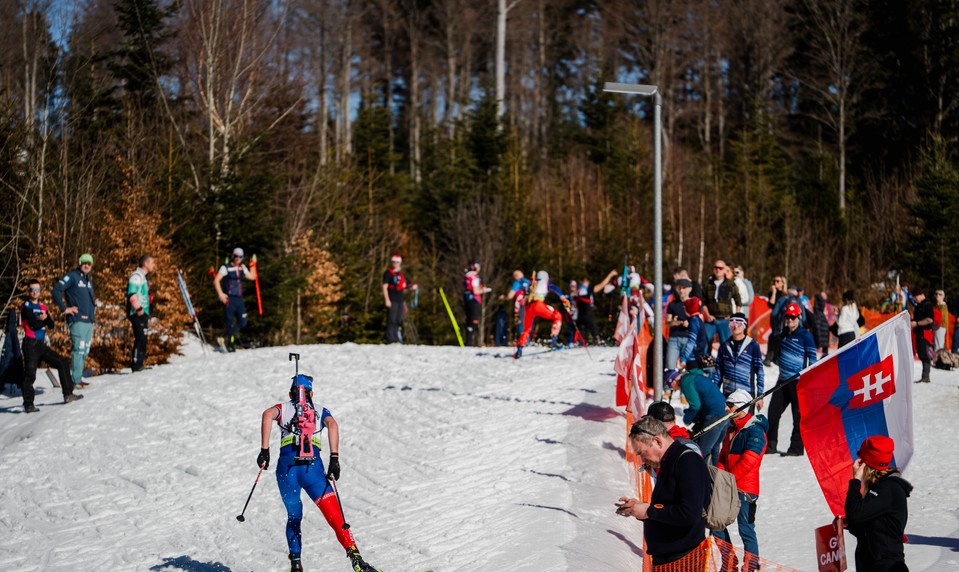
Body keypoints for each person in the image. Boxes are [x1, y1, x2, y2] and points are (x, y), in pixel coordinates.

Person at [258, 374, 379, 572]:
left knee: (294, 517)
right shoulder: (320, 410)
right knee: (335, 516)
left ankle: (296, 564)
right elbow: (333, 424)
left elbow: (266, 415)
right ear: (311, 393)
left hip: (286, 471)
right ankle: (357, 560)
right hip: (312, 469)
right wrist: (334, 458)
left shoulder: (284, 408)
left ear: (291, 393)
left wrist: (264, 450)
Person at [615, 416, 710, 570]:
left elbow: (689, 513)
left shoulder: (687, 462)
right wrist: (639, 508)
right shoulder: (667, 462)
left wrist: (649, 511)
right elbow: (666, 507)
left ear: (658, 441)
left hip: (683, 560)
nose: (642, 460)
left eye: (643, 452)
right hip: (669, 559)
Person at [715, 389, 769, 572]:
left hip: (745, 489)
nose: (726, 408)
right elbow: (723, 456)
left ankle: (751, 566)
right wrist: (721, 479)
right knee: (715, 522)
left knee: (746, 529)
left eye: (730, 405)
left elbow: (749, 461)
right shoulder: (731, 429)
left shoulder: (755, 431)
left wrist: (727, 480)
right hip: (729, 485)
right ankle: (729, 563)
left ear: (741, 406)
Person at [844, 435, 912, 572]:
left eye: (860, 457)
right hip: (875, 564)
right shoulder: (883, 488)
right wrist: (848, 524)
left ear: (865, 463)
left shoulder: (888, 489)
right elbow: (876, 528)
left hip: (886, 567)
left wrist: (855, 481)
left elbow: (855, 513)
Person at [19, 279, 83, 412]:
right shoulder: (25, 306)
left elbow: (52, 325)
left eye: (37, 290)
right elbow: (34, 325)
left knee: (62, 363)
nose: (35, 292)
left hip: (41, 345)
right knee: (30, 375)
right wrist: (44, 320)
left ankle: (68, 394)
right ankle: (28, 404)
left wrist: (46, 319)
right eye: (32, 290)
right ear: (28, 291)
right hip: (30, 344)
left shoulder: (42, 307)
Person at [767, 303, 816, 456]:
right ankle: (770, 445)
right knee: (773, 413)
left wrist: (807, 379)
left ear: (798, 318)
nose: (789, 320)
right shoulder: (782, 335)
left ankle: (796, 448)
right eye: (787, 317)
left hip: (797, 382)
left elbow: (813, 359)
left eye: (792, 317)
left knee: (798, 417)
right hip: (782, 381)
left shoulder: (805, 336)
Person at [670, 357, 727, 466]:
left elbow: (695, 405)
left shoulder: (686, 381)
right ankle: (714, 478)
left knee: (703, 449)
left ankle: (704, 479)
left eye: (670, 386)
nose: (673, 389)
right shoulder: (695, 376)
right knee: (714, 448)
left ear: (672, 381)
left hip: (714, 414)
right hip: (725, 412)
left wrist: (687, 418)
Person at [52, 253, 96, 388]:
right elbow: (56, 290)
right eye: (84, 263)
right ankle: (75, 380)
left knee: (85, 350)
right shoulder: (72, 277)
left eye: (89, 263)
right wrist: (64, 308)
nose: (86, 265)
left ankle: (77, 377)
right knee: (79, 349)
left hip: (88, 321)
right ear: (79, 263)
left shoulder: (88, 280)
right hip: (77, 320)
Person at [710, 313, 764, 405]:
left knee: (746, 420)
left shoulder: (753, 345)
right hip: (728, 394)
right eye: (731, 323)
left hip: (746, 394)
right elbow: (718, 372)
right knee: (727, 419)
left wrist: (760, 395)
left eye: (739, 323)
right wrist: (715, 394)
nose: (735, 326)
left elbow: (759, 371)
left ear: (744, 326)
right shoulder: (724, 346)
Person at [515, 270, 567, 358]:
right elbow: (556, 290)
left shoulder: (530, 284)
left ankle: (520, 348)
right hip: (538, 305)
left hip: (528, 307)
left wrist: (517, 311)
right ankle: (554, 340)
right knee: (558, 316)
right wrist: (564, 299)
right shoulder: (545, 283)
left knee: (527, 329)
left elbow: (521, 296)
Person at [214, 247, 257, 352]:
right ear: (233, 256)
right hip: (229, 299)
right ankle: (229, 345)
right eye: (237, 256)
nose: (238, 258)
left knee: (243, 321)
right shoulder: (226, 268)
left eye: (241, 256)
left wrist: (252, 265)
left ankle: (225, 339)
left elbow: (252, 277)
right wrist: (220, 294)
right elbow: (216, 281)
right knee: (229, 322)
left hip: (239, 299)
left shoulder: (242, 267)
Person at [703, 260, 742, 347]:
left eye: (720, 268)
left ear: (724, 270)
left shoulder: (731, 284)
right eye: (716, 268)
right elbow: (703, 302)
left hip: (725, 319)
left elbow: (738, 301)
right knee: (704, 342)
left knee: (726, 345)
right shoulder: (707, 284)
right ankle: (707, 360)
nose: (718, 270)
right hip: (711, 320)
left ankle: (726, 360)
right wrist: (707, 315)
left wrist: (735, 317)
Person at [127, 255, 155, 372]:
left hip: (143, 312)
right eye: (152, 263)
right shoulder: (136, 276)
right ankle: (136, 364)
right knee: (140, 337)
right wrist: (139, 309)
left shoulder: (143, 277)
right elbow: (131, 294)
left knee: (143, 337)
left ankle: (140, 363)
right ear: (146, 264)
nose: (154, 265)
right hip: (137, 312)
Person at [381, 254, 417, 344]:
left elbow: (402, 286)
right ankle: (390, 338)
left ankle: (396, 338)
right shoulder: (388, 273)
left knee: (398, 320)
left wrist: (411, 287)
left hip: (400, 299)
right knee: (392, 319)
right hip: (392, 299)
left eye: (397, 262)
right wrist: (387, 299)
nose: (395, 264)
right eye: (394, 262)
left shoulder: (400, 274)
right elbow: (384, 287)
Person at [575, 270, 617, 345]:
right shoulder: (588, 288)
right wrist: (610, 275)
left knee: (582, 338)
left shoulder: (578, 290)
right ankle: (598, 341)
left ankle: (580, 344)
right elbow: (601, 285)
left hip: (579, 316)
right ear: (586, 282)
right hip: (588, 314)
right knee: (595, 333)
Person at [462, 262, 491, 347]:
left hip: (467, 298)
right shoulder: (474, 277)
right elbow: (475, 291)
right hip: (474, 299)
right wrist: (485, 290)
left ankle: (468, 340)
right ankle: (470, 342)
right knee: (474, 320)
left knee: (469, 319)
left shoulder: (467, 276)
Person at [666, 279, 692, 370]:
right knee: (670, 366)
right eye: (679, 288)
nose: (681, 290)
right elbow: (667, 323)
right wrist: (674, 322)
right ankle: (669, 384)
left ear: (690, 289)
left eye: (684, 288)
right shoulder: (672, 304)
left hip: (689, 339)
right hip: (674, 339)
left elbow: (699, 323)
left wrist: (689, 324)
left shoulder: (694, 303)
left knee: (689, 367)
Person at [911, 286, 934, 383]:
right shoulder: (918, 306)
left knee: (924, 354)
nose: (915, 299)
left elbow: (929, 319)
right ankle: (924, 376)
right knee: (920, 353)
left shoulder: (928, 305)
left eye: (915, 297)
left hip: (925, 332)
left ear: (920, 295)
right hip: (919, 332)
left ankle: (926, 376)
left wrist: (917, 323)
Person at [503, 270, 531, 342]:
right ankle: (528, 340)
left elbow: (510, 296)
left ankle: (524, 341)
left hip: (520, 304)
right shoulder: (529, 282)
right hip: (530, 304)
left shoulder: (517, 282)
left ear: (516, 276)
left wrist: (504, 297)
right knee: (529, 322)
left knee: (520, 322)